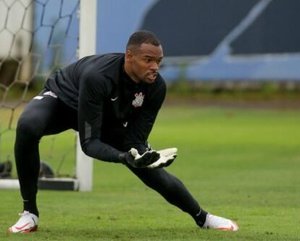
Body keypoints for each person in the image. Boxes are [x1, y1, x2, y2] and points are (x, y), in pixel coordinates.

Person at [8, 30, 239, 233]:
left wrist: (142, 156)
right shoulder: (98, 76)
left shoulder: (156, 88)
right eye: (148, 60)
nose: (155, 67)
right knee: (28, 126)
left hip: (102, 114)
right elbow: (89, 144)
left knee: (144, 165)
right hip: (64, 101)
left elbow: (136, 140)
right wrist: (122, 157)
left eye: (158, 61)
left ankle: (203, 217)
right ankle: (30, 213)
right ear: (129, 56)